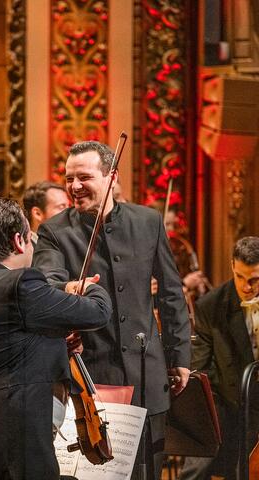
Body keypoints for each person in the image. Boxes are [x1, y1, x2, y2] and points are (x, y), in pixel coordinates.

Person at [33, 140, 191, 480]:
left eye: (84, 177)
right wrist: (68, 288)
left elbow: (170, 292)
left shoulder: (148, 222)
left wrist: (179, 356)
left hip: (146, 376)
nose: (75, 186)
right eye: (69, 178)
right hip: (91, 380)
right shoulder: (54, 232)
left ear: (112, 177)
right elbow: (46, 284)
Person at [0, 197, 112, 480]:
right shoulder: (20, 284)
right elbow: (98, 312)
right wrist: (86, 288)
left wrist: (54, 339)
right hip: (18, 445)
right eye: (30, 240)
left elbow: (10, 346)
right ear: (19, 241)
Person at [179, 236, 259, 480]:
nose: (246, 287)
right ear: (232, 266)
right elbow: (200, 370)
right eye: (240, 277)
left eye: (255, 279)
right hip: (230, 402)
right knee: (198, 466)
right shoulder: (211, 306)